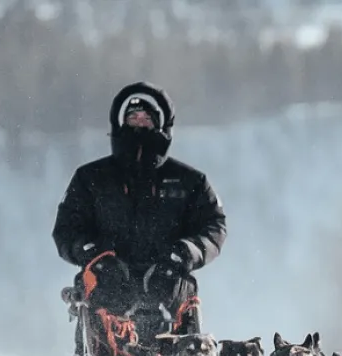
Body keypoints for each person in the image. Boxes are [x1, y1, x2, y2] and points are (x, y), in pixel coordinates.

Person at [52, 81, 227, 339]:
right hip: (107, 279)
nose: (139, 124)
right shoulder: (91, 178)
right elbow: (67, 229)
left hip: (168, 280)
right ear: (120, 124)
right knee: (98, 289)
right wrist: (92, 254)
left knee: (178, 289)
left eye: (146, 119)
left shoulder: (189, 181)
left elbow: (214, 227)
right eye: (133, 118)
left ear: (161, 125)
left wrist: (184, 253)